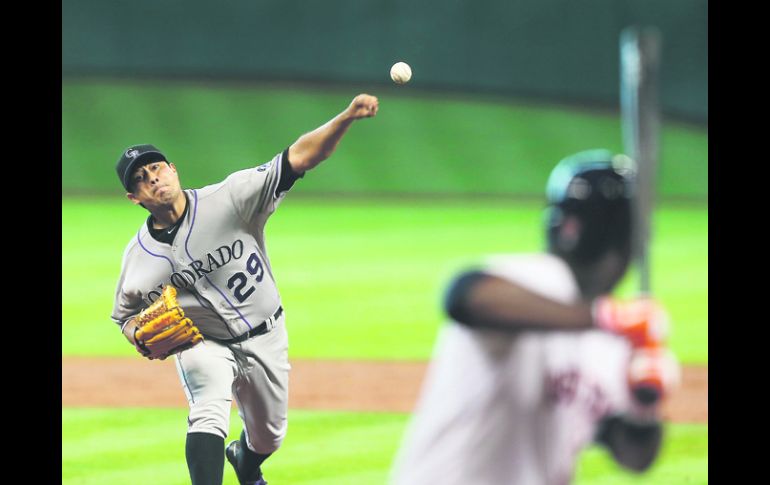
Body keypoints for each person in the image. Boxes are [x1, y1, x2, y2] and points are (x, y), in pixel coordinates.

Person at [110, 94, 379, 485]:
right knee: (207, 409)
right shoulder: (138, 257)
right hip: (205, 344)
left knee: (269, 437)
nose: (151, 177)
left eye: (155, 168)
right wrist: (136, 333)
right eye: (140, 178)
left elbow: (299, 158)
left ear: (173, 169)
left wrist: (348, 116)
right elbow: (124, 316)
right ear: (134, 197)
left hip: (267, 334)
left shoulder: (230, 197)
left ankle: (246, 460)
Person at [388, 149, 680, 485]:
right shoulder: (540, 279)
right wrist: (605, 317)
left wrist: (644, 405)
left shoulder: (613, 340)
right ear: (628, 244)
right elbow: (464, 296)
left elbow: (633, 458)